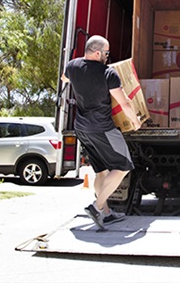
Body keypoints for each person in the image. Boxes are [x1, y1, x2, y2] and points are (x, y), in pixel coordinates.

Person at [61, 35, 141, 230]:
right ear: (97, 53)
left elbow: (64, 79)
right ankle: (96, 207)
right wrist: (136, 121)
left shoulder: (72, 66)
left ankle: (105, 213)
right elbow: (124, 103)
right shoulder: (108, 74)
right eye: (106, 53)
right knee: (123, 166)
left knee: (101, 171)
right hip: (102, 128)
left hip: (82, 128)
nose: (107, 56)